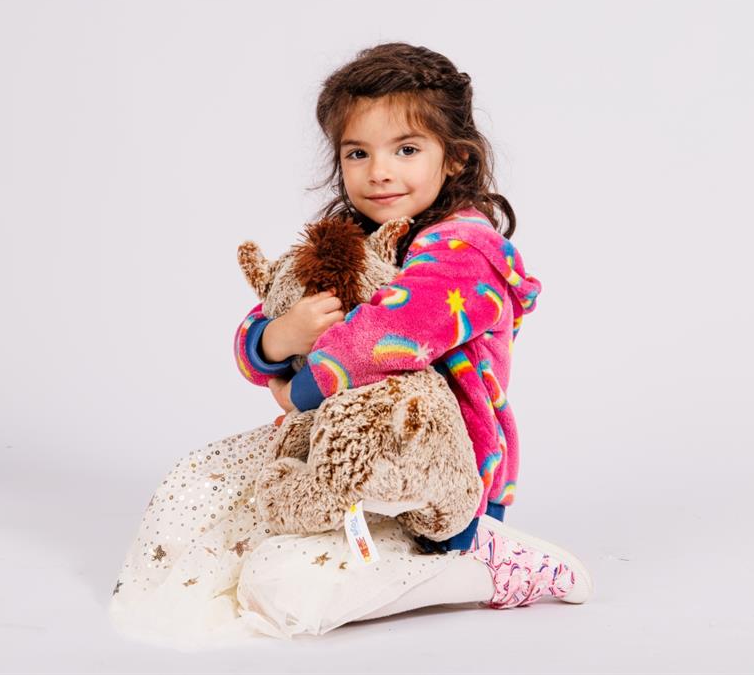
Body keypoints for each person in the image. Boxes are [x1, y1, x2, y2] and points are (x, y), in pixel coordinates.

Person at [108, 42, 592, 651]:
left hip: (433, 470)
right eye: (357, 153)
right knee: (203, 486)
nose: (378, 171)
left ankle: (487, 565)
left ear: (457, 161)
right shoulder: (353, 241)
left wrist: (300, 390)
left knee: (288, 587)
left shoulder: (466, 250)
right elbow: (274, 304)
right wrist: (277, 339)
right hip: (340, 450)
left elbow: (391, 334)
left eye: (406, 150)